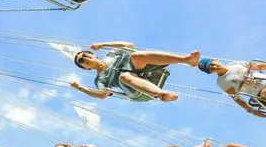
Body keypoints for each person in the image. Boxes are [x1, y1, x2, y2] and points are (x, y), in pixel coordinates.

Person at [70, 42, 201, 102]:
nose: (85, 58)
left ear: (94, 55)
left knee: (136, 56)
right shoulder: (99, 79)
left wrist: (103, 44)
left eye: (85, 55)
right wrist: (80, 88)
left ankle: (187, 60)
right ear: (85, 68)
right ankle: (162, 94)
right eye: (81, 61)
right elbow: (102, 95)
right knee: (124, 76)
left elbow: (129, 45)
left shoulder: (111, 54)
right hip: (134, 90)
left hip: (142, 70)